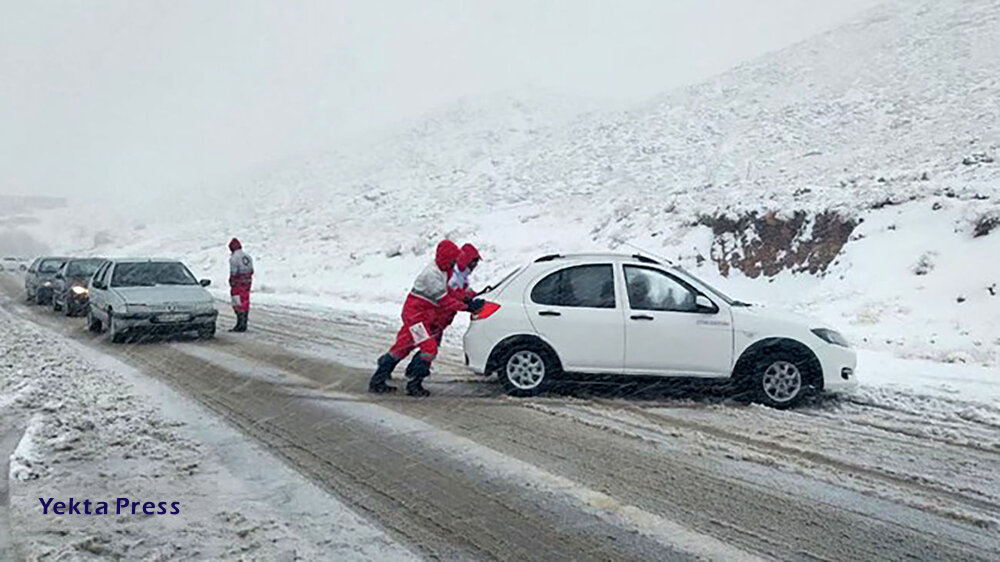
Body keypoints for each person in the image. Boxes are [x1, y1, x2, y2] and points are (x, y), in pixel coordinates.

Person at [369, 240, 482, 397]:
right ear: (446, 258)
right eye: (452, 260)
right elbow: (444, 300)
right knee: (429, 349)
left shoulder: (445, 271)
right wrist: (467, 306)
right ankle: (414, 383)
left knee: (402, 347)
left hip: (425, 318)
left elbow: (453, 291)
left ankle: (379, 378)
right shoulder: (432, 274)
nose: (455, 263)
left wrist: (471, 297)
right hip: (416, 318)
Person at [228, 238, 254, 332]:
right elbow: (251, 270)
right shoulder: (247, 256)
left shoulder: (234, 258)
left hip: (238, 283)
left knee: (237, 302)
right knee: (245, 301)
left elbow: (233, 272)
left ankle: (240, 324)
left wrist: (232, 281)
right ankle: (244, 322)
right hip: (247, 282)